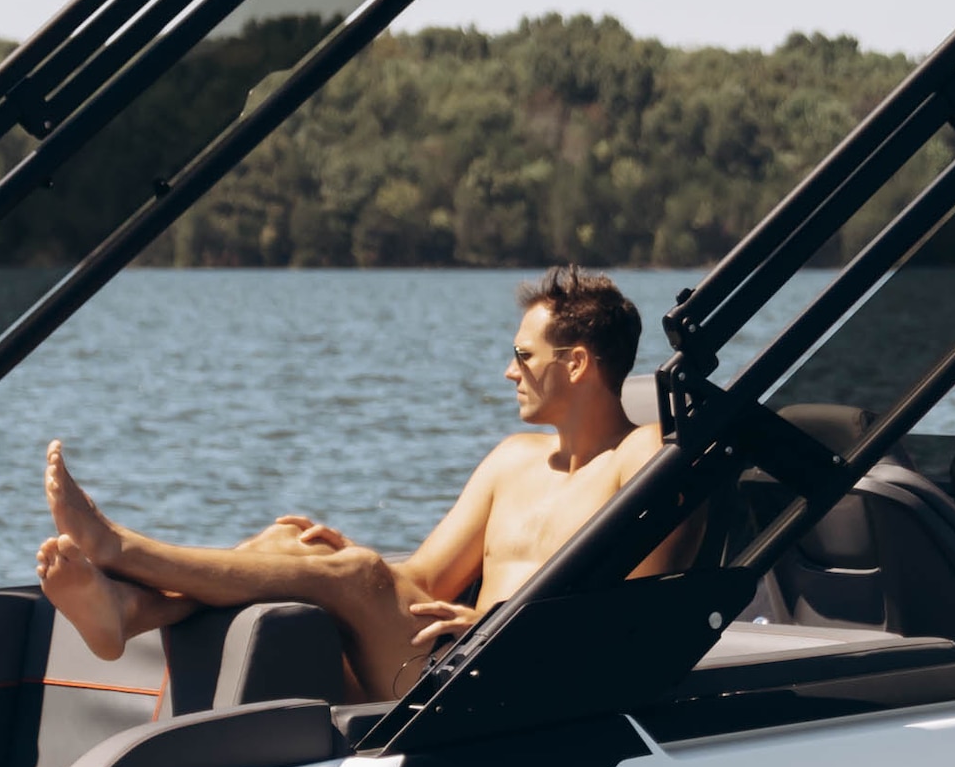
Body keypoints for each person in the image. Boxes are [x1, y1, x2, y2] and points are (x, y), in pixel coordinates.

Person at [37, 267, 661, 701]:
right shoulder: (512, 461)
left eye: (524, 356)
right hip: (441, 660)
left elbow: (632, 625)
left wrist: (478, 624)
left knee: (357, 573)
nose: (508, 371)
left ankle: (119, 549)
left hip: (514, 685)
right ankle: (130, 609)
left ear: (576, 363)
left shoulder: (641, 458)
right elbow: (422, 582)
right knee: (295, 542)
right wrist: (342, 560)